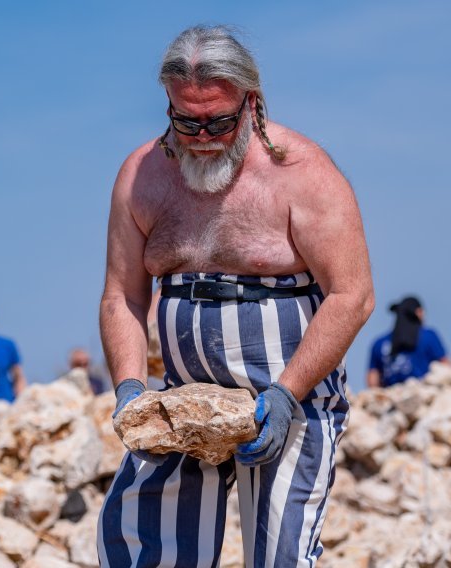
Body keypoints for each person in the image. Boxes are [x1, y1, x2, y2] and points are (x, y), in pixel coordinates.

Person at [97, 26, 374, 567]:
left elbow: (352, 294)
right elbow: (120, 297)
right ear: (168, 104)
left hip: (290, 400)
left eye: (219, 122)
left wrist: (286, 394)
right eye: (187, 121)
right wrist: (130, 389)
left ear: (253, 102)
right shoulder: (142, 176)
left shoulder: (301, 172)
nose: (202, 136)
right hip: (183, 402)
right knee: (140, 544)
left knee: (281, 554)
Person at [367, 296, 448, 388]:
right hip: (423, 392)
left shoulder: (379, 343)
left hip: (391, 395)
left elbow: (372, 379)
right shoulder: (429, 336)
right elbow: (445, 365)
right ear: (418, 312)